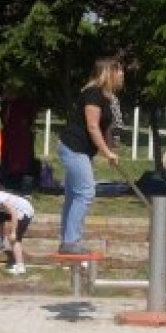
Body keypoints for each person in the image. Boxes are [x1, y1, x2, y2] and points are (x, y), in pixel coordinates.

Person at [56, 56, 125, 255]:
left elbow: (105, 129)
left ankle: (67, 240)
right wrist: (106, 152)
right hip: (73, 147)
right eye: (119, 70)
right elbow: (92, 126)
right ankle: (71, 241)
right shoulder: (93, 93)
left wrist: (112, 151)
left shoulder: (106, 96)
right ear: (109, 72)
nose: (122, 75)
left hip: (80, 149)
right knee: (86, 192)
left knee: (73, 195)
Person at [0, 175, 35, 275]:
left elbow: (14, 213)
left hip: (24, 212)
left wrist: (13, 232)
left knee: (14, 239)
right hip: (16, 212)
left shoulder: (0, 197)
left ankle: (20, 266)